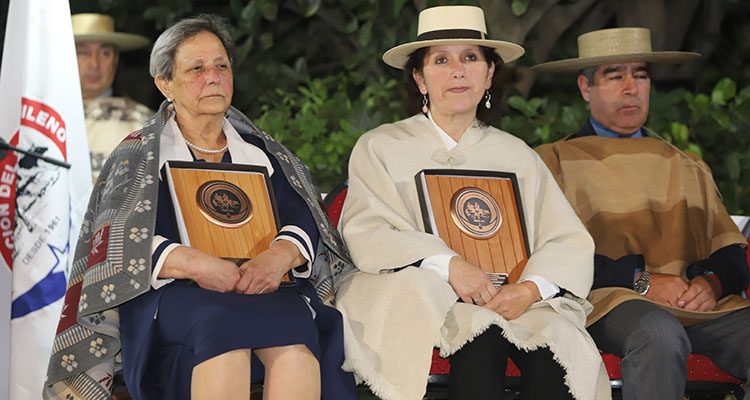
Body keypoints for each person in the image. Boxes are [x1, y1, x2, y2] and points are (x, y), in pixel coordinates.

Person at [44, 15, 357, 400]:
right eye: (196, 68)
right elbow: (118, 241)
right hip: (173, 293)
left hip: (260, 286)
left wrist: (279, 256)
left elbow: (304, 216)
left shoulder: (262, 152)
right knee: (219, 323)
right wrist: (198, 264)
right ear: (165, 84)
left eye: (221, 66)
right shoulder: (139, 153)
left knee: (296, 325)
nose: (213, 77)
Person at [336, 6, 611, 400]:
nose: (458, 71)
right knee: (480, 340)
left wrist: (530, 289)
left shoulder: (517, 156)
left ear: (490, 73)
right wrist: (449, 266)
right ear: (419, 78)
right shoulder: (381, 147)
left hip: (515, 299)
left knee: (555, 352)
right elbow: (368, 230)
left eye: (470, 58)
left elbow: (567, 240)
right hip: (429, 297)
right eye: (441, 60)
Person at [533, 27, 750, 400]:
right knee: (660, 335)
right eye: (615, 76)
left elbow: (731, 253)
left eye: (641, 75)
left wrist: (712, 284)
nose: (631, 87)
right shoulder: (551, 161)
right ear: (586, 89)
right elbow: (546, 257)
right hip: (607, 300)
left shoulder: (687, 164)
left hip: (698, 306)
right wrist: (641, 281)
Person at [72, 13, 154, 181]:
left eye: (105, 53)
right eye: (83, 53)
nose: (94, 64)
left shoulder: (143, 123)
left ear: (116, 59)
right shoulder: (40, 121)